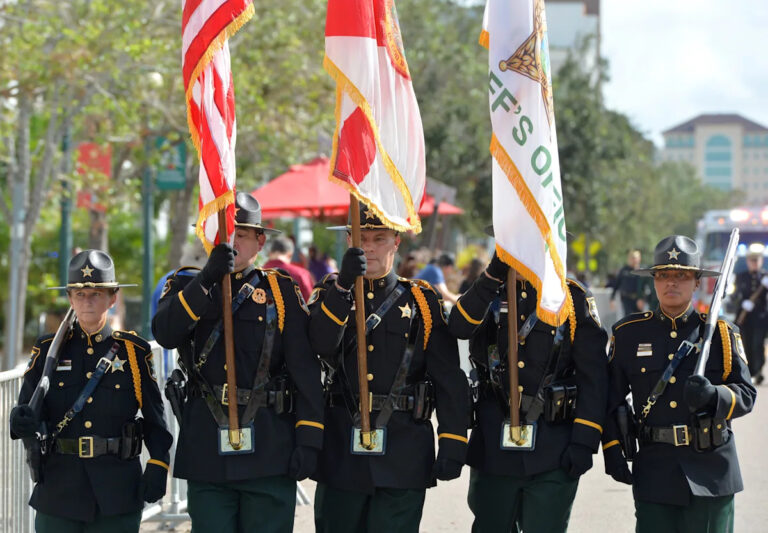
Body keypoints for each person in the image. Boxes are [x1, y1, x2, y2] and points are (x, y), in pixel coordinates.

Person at [151, 192, 325, 533]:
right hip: (207, 449)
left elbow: (305, 370)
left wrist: (310, 439)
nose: (231, 244)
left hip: (269, 447)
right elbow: (166, 333)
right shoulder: (187, 284)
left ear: (260, 241)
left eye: (241, 235)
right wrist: (207, 279)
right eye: (222, 235)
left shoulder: (281, 291)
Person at [308, 204, 470, 533]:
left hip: (404, 450)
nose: (368, 246)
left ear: (396, 242)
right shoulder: (330, 291)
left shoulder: (423, 301)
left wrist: (453, 439)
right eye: (361, 238)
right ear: (350, 239)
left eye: (379, 238)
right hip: (342, 450)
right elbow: (319, 345)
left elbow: (448, 377)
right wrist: (343, 287)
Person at [9, 249, 173, 532]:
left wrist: (159, 465)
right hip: (60, 491)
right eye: (80, 294)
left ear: (113, 298)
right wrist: (19, 420)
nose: (88, 301)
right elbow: (28, 407)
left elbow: (155, 420)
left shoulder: (133, 352)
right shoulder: (48, 351)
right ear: (70, 298)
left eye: (96, 293)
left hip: (117, 492)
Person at [602, 235, 756, 533]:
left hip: (711, 470)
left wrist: (714, 397)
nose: (671, 282)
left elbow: (747, 394)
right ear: (654, 280)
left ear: (697, 281)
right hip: (655, 470)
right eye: (663, 275)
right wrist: (611, 447)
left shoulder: (721, 334)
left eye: (681, 275)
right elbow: (611, 398)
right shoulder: (628, 334)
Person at [449, 251, 608, 533]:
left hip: (553, 448)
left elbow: (593, 377)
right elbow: (458, 327)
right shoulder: (488, 292)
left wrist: (584, 441)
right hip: (493, 447)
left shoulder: (571, 299)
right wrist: (490, 276)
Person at [731, 244, 768, 384]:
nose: (754, 263)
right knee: (745, 345)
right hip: (744, 318)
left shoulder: (765, 277)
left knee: (757, 344)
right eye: (751, 260)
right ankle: (749, 372)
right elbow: (734, 296)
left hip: (760, 318)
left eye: (756, 260)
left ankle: (758, 371)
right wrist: (742, 303)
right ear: (748, 261)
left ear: (760, 261)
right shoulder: (741, 277)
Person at [263, 235, 315, 301]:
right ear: (290, 255)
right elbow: (311, 304)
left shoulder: (257, 273)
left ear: (270, 253)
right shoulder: (301, 274)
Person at [611, 249, 648, 315]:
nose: (634, 260)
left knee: (638, 320)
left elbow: (646, 287)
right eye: (632, 258)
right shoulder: (624, 270)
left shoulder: (643, 271)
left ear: (639, 258)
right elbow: (616, 284)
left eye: (635, 258)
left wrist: (643, 299)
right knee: (629, 319)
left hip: (638, 299)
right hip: (626, 299)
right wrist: (612, 298)